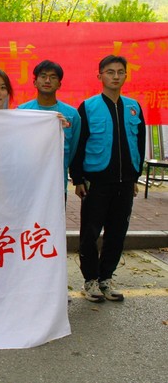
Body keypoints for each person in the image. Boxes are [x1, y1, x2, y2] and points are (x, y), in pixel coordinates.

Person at [69, 55, 145, 303]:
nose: (115, 76)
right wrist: (78, 178)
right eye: (110, 72)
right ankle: (90, 280)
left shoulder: (134, 107)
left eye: (120, 72)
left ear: (126, 75)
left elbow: (139, 143)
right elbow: (79, 144)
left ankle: (106, 278)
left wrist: (135, 176)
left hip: (125, 182)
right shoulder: (88, 107)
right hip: (96, 182)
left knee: (117, 232)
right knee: (90, 233)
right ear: (100, 75)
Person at [18, 60, 82, 195]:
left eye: (53, 77)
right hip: (27, 183)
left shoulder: (71, 115)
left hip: (57, 184)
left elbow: (73, 149)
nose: (47, 80)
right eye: (43, 76)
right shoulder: (22, 112)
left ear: (59, 84)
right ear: (35, 82)